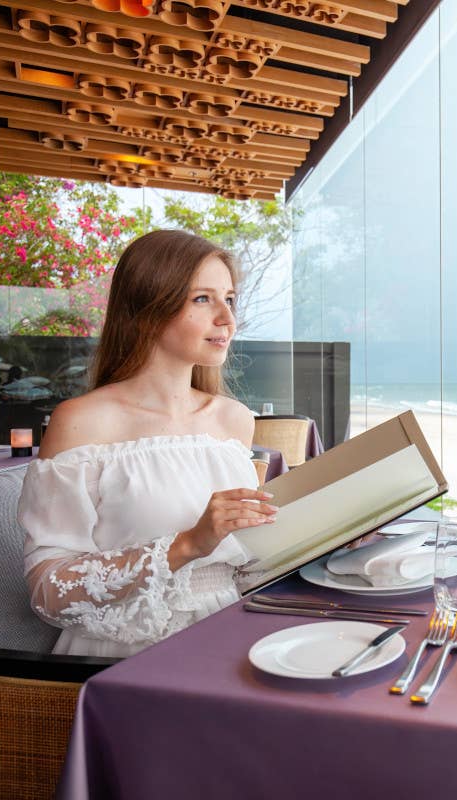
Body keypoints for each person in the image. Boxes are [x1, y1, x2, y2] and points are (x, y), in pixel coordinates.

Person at [17, 230, 277, 658]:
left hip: (232, 635)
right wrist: (186, 545)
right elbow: (48, 590)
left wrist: (333, 537)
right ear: (148, 309)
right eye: (202, 299)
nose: (228, 320)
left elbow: (243, 566)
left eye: (228, 299)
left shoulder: (234, 419)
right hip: (127, 652)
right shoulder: (82, 423)